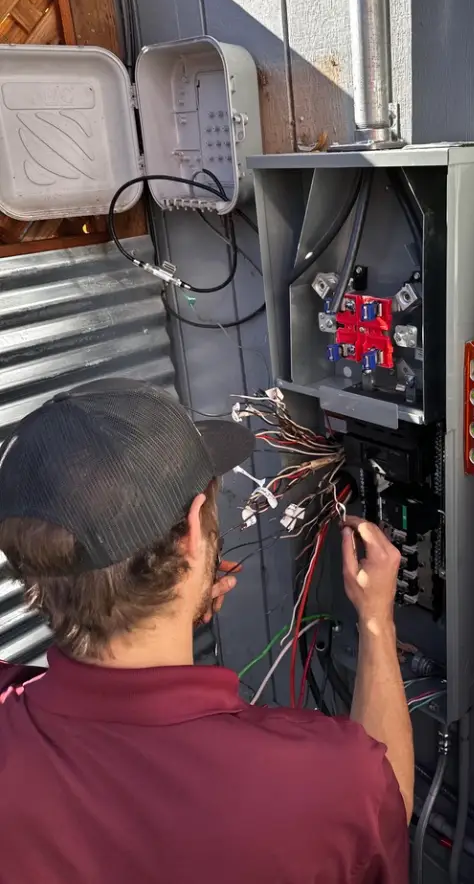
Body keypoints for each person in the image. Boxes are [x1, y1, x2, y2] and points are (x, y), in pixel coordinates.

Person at [0, 379, 412, 884]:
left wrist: (174, 601)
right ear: (193, 533)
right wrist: (376, 620)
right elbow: (390, 801)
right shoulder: (326, 780)